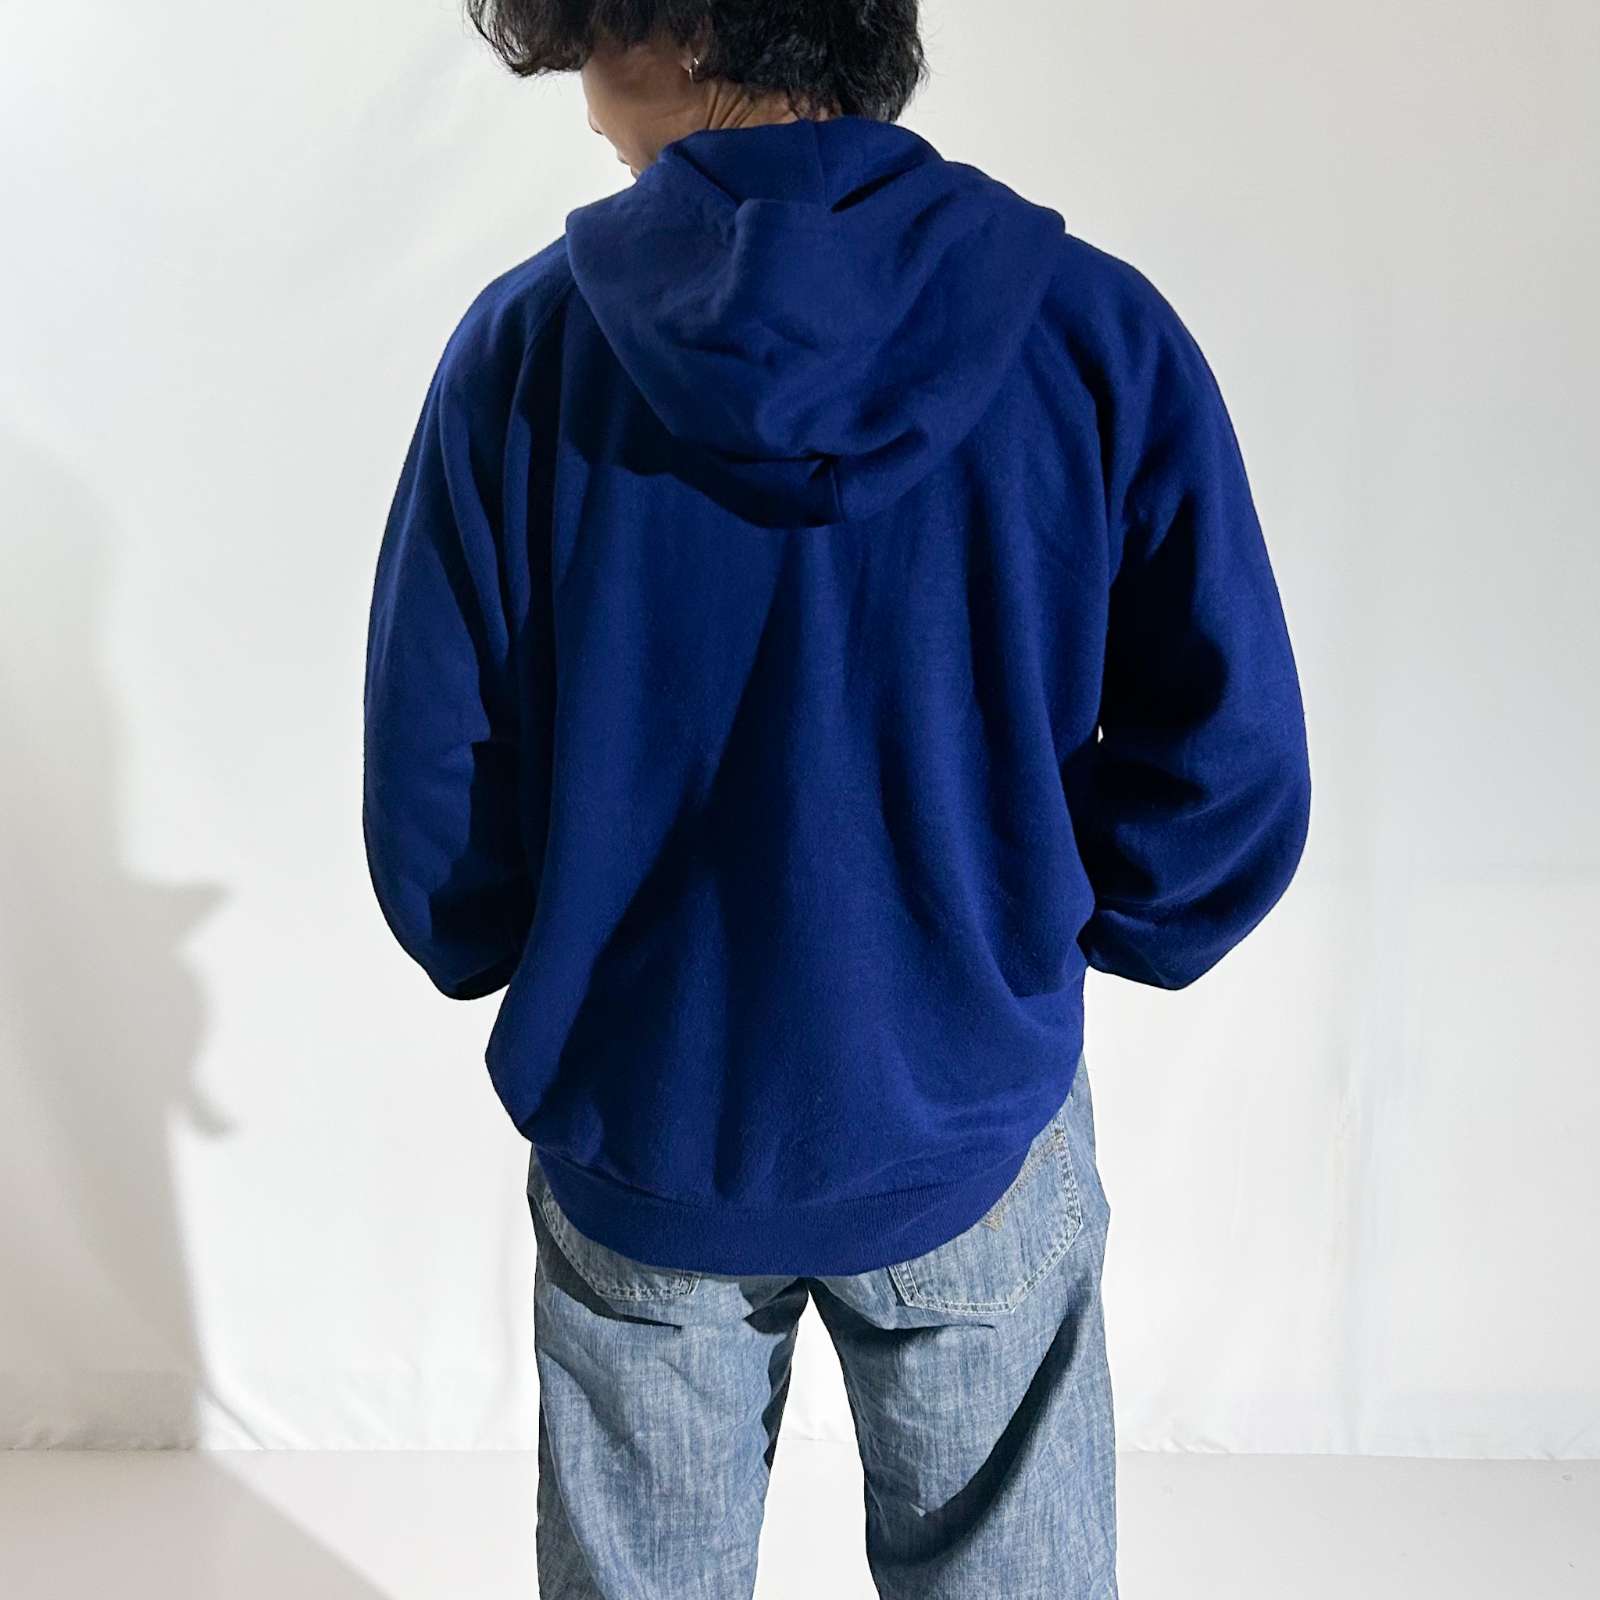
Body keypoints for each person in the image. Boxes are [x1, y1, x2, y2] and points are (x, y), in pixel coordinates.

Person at [361, 3, 1312, 1594]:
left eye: (588, 39)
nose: (584, 100)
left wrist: (525, 948)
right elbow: (1232, 762)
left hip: (647, 1114)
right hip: (966, 1104)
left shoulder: (523, 356)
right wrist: (1039, 925)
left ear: (677, 31)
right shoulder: (1093, 333)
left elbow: (434, 785)